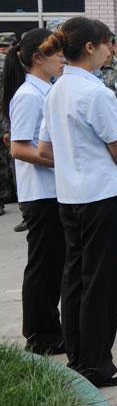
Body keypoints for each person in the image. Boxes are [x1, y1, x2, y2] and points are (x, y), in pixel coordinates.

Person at [38, 18, 117, 387]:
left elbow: (44, 149)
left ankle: (78, 358)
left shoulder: (55, 90)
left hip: (69, 196)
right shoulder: (96, 92)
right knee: (101, 282)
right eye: (108, 44)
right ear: (90, 47)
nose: (112, 50)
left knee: (75, 279)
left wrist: (74, 162)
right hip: (101, 197)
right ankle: (100, 364)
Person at [3, 28, 65, 356]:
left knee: (55, 264)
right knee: (43, 265)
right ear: (38, 58)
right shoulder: (28, 95)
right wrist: (65, 161)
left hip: (53, 191)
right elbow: (19, 148)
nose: (61, 59)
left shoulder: (46, 91)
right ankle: (39, 334)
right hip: (40, 194)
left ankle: (51, 326)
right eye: (56, 54)